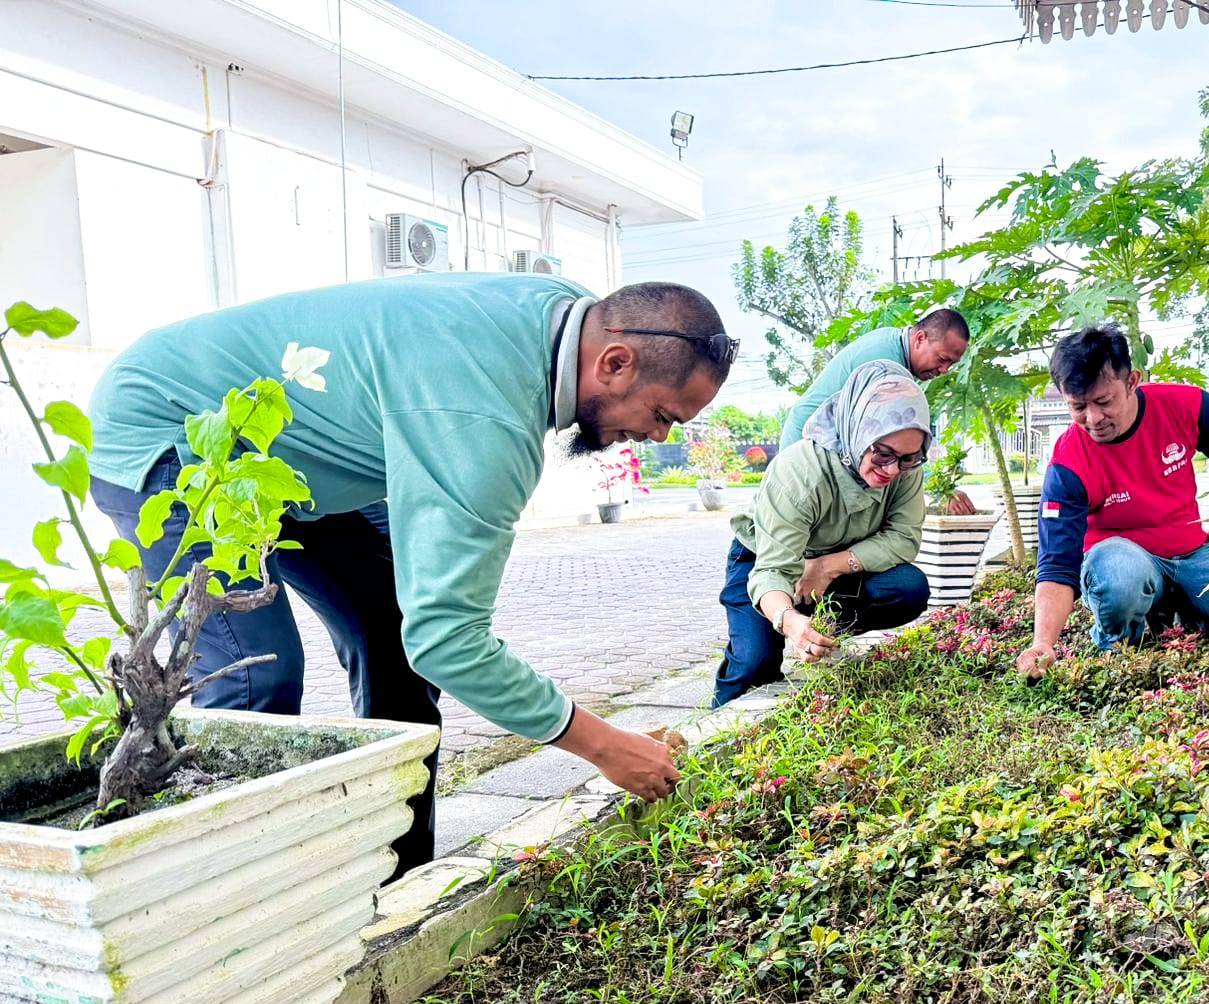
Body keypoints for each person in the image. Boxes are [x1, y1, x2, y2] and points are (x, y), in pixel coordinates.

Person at [88, 273, 733, 875]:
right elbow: (450, 642)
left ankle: (399, 885)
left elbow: (426, 629)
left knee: (395, 642)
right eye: (663, 417)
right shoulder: (486, 423)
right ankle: (231, 906)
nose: (654, 438)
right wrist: (605, 745)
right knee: (260, 673)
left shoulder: (567, 314)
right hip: (175, 434)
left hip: (298, 460)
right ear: (613, 362)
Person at [1016, 325, 1209, 677]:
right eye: (1078, 406)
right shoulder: (1068, 462)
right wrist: (1043, 642)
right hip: (1122, 561)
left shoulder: (1186, 406)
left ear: (1132, 382)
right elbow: (1056, 564)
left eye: (1103, 401)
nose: (1093, 419)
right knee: (1121, 577)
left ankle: (1190, 612)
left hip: (1193, 554)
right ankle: (1122, 641)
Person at [714, 360, 932, 707]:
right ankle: (704, 744)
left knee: (907, 588)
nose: (893, 470)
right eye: (883, 453)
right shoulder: (800, 472)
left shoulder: (908, 470)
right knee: (755, 663)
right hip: (764, 560)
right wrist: (789, 621)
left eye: (908, 458)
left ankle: (822, 628)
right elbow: (772, 571)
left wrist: (828, 566)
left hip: (837, 567)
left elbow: (904, 538)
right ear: (858, 431)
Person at [779, 309, 976, 515]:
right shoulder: (887, 369)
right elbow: (895, 448)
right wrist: (943, 491)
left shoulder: (892, 342)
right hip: (809, 443)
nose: (944, 370)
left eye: (951, 364)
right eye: (942, 359)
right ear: (920, 338)